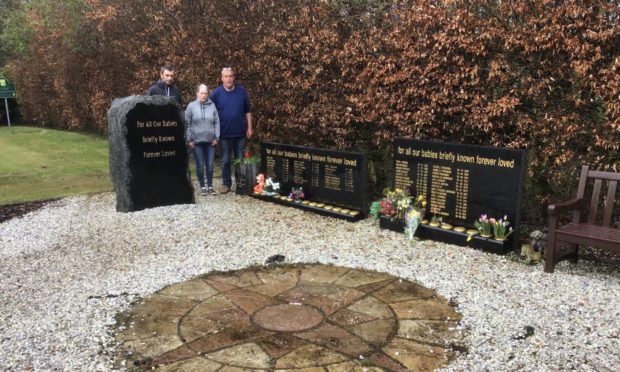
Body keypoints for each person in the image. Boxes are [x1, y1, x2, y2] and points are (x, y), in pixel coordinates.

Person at [210, 67, 253, 194]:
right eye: (226, 76)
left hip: (240, 133)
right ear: (222, 78)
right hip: (223, 134)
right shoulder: (216, 93)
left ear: (234, 77)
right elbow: (210, 112)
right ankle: (226, 183)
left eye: (230, 76)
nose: (228, 79)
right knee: (225, 160)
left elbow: (248, 110)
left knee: (240, 160)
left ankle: (241, 183)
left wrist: (250, 128)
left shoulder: (241, 91)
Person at [185, 84, 220, 195]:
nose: (204, 95)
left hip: (211, 141)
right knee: (200, 165)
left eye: (205, 93)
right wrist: (189, 139)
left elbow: (217, 122)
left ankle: (210, 186)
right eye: (201, 93)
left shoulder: (212, 105)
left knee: (210, 165)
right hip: (197, 142)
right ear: (197, 93)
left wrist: (217, 137)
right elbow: (187, 123)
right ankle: (202, 187)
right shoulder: (191, 106)